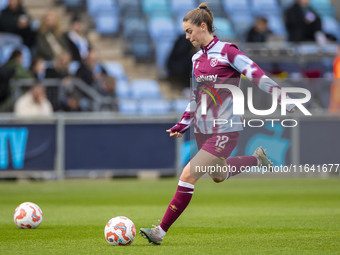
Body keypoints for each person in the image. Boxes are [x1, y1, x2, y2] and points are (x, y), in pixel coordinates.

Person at [139, 3, 295, 245]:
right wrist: (183, 124)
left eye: (190, 31)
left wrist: (280, 96)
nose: (187, 36)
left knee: (187, 175)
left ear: (203, 27)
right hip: (204, 128)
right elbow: (196, 97)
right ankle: (257, 159)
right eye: (185, 32)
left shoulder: (227, 52)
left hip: (226, 128)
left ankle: (159, 231)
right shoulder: (195, 60)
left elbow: (254, 72)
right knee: (219, 175)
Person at [329, 45, 340, 112]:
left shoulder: (338, 61)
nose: (336, 52)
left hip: (337, 85)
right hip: (336, 85)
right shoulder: (336, 60)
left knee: (335, 104)